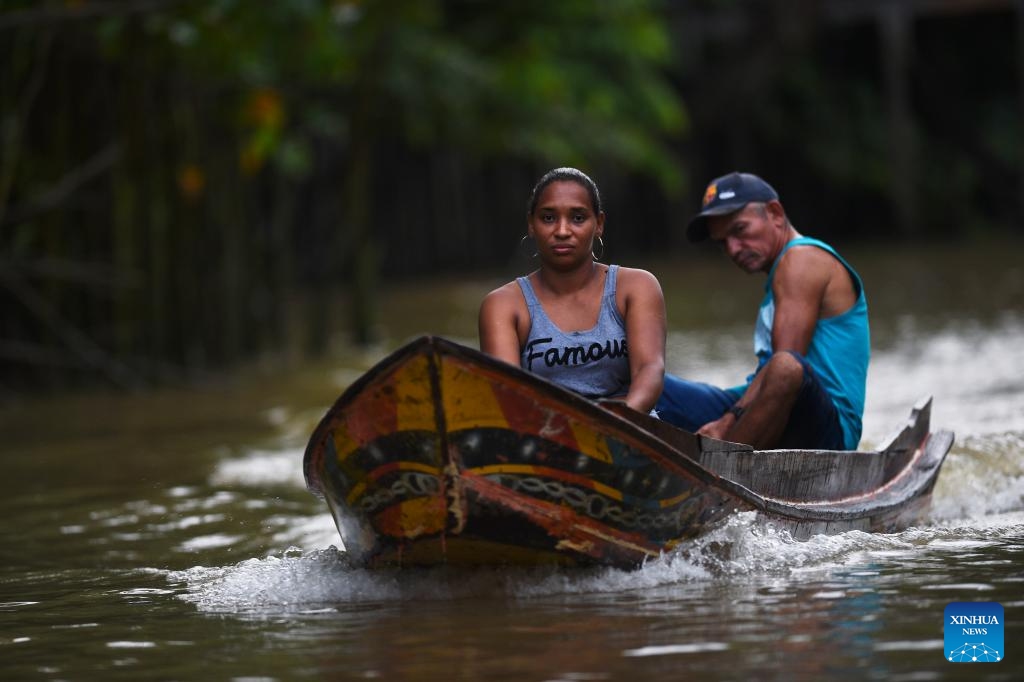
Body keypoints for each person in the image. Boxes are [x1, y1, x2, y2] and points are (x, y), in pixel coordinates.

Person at [655, 171, 870, 450]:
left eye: (739, 230)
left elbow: (785, 367)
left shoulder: (801, 259)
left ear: (775, 214)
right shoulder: (783, 270)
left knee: (785, 367)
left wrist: (726, 422)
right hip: (765, 405)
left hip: (828, 432)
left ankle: (721, 473)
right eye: (722, 242)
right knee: (643, 378)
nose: (732, 249)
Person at [479, 167, 666, 414]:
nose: (562, 231)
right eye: (548, 218)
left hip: (631, 429)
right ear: (531, 225)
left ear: (598, 224)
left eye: (578, 218)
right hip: (545, 437)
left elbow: (649, 370)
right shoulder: (504, 305)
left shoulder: (636, 287)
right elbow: (509, 397)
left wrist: (614, 427)